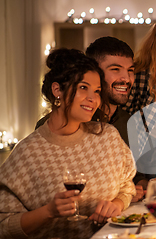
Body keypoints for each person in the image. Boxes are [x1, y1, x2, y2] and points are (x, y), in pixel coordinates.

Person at [0, 48, 136, 239]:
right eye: (83, 88)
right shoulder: (28, 152)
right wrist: (48, 211)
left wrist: (116, 204)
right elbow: (4, 225)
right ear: (57, 91)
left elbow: (126, 188)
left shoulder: (107, 137)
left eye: (96, 91)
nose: (93, 99)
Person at [36, 36, 147, 201]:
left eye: (130, 70)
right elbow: (48, 189)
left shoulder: (131, 123)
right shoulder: (57, 125)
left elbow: (138, 177)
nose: (126, 78)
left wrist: (141, 188)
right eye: (115, 69)